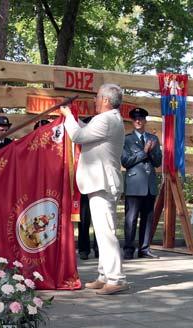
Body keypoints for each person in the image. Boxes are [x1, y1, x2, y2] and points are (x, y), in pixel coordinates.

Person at [60, 83, 128, 295]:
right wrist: (74, 117)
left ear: (106, 100)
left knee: (106, 232)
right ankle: (104, 275)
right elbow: (85, 131)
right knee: (101, 231)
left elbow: (78, 136)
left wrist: (67, 115)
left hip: (102, 182)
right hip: (101, 181)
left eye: (98, 97)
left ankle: (116, 278)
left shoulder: (105, 119)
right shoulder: (111, 119)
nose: (95, 101)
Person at [121, 107, 162, 259]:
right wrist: (144, 151)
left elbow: (158, 162)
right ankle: (128, 250)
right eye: (135, 119)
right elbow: (126, 161)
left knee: (147, 218)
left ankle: (144, 249)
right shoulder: (126, 139)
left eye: (141, 118)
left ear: (145, 121)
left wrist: (151, 151)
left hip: (150, 185)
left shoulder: (153, 139)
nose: (138, 121)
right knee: (131, 219)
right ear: (132, 121)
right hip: (134, 185)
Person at [77, 116, 98, 260]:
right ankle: (84, 249)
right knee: (83, 219)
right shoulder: (79, 143)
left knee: (99, 220)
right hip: (84, 183)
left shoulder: (100, 140)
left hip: (98, 183)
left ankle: (98, 249)